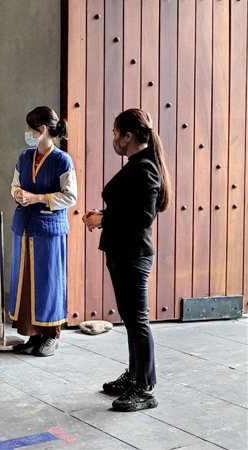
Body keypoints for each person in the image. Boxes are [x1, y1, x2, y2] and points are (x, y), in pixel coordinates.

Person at [83, 108, 171, 412]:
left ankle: (144, 388)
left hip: (134, 254)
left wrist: (105, 218)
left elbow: (143, 217)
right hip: (122, 251)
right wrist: (104, 215)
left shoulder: (145, 168)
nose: (113, 139)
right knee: (132, 319)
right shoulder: (138, 164)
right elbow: (129, 207)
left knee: (137, 320)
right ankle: (134, 375)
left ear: (128, 136)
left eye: (115, 133)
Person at [9, 106, 77, 357]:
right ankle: (32, 335)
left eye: (30, 128)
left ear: (43, 130)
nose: (27, 132)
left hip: (49, 229)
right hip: (24, 227)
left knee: (49, 280)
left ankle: (51, 336)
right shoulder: (25, 156)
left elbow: (70, 197)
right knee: (26, 281)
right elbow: (15, 185)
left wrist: (37, 198)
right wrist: (18, 194)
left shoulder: (62, 160)